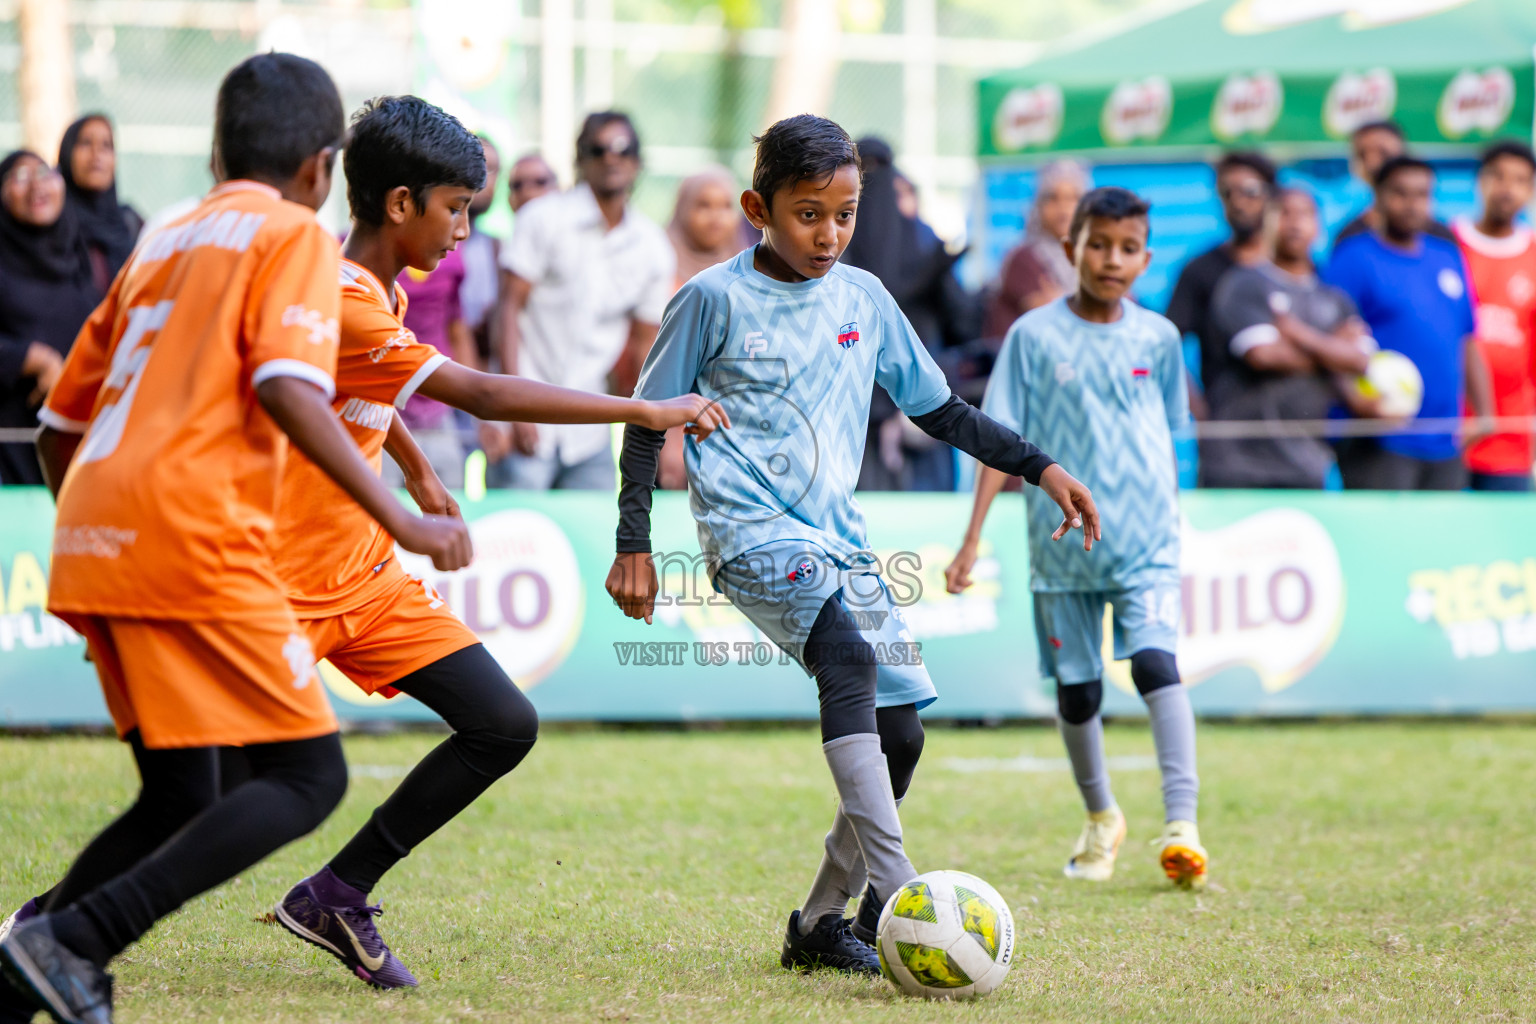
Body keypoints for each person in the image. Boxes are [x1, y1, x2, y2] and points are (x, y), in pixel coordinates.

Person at [0, 55, 471, 1024]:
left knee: (183, 791)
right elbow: (288, 387)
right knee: (308, 775)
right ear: (319, 168)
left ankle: (17, 974)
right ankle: (73, 939)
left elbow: (57, 426)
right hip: (193, 529)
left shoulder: (163, 231)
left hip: (96, 527)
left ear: (218, 148)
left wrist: (94, 543)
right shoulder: (295, 233)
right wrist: (405, 515)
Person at [605, 115, 1099, 973]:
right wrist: (634, 542)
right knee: (849, 664)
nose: (828, 234)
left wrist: (1042, 465)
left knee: (901, 733)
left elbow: (940, 410)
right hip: (749, 535)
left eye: (845, 214)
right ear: (759, 207)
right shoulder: (712, 298)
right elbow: (648, 424)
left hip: (841, 543)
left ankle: (819, 924)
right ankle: (910, 903)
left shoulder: (865, 298)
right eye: (807, 215)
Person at [247, 96, 722, 988]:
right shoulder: (343, 298)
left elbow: (361, 395)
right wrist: (644, 410)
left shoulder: (374, 288)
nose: (467, 229)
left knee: (502, 723)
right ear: (399, 205)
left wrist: (422, 474)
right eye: (457, 207)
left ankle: (337, 893)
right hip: (284, 587)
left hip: (367, 578)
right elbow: (484, 394)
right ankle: (57, 926)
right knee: (212, 792)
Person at [945, 186, 1206, 890]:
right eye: (1098, 245)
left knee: (1157, 666)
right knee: (1078, 694)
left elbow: (1168, 431)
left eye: (1127, 249)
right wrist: (971, 540)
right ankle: (1101, 817)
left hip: (1146, 537)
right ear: (1072, 249)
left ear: (1145, 258)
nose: (1111, 260)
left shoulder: (1158, 338)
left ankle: (1182, 824)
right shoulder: (1033, 336)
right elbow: (999, 443)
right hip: (1060, 543)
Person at [491, 113, 674, 490]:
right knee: (515, 541)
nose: (612, 158)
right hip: (527, 417)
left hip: (590, 435)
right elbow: (507, 311)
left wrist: (654, 433)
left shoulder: (651, 245)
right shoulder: (542, 219)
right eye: (599, 149)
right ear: (580, 160)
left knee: (594, 543)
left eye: (624, 149)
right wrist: (512, 408)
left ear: (638, 162)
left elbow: (645, 348)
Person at [1326, 155, 1494, 490]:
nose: (1411, 204)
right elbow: (1330, 343)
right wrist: (1356, 401)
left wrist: (1485, 414)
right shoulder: (1353, 258)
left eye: (1421, 195)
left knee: (1440, 540)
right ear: (1379, 197)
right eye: (1400, 193)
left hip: (1446, 441)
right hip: (1381, 439)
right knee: (1382, 540)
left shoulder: (1446, 256)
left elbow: (1467, 338)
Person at [1202, 187, 1376, 488]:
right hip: (1240, 464)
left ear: (1318, 226)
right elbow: (1265, 356)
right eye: (1284, 213)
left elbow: (1362, 361)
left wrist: (1299, 334)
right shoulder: (1244, 284)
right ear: (1266, 223)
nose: (1294, 223)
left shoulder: (1335, 299)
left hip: (1306, 464)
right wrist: (1334, 350)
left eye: (1304, 214)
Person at [842, 136, 975, 491]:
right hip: (859, 413)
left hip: (918, 404)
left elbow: (963, 322)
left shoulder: (922, 241)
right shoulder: (837, 243)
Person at [0, 151, 102, 484]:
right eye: (19, 177)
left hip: (80, 452)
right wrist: (30, 359)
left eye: (44, 173)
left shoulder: (81, 255)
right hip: (13, 457)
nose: (35, 186)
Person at [1454, 140, 1536, 492]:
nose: (1508, 189)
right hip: (1449, 434)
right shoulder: (1446, 243)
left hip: (1512, 438)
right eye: (1499, 177)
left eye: (1520, 180)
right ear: (1480, 182)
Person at [656, 165, 744, 488]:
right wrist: (672, 439)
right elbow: (660, 367)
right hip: (671, 425)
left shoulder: (747, 269)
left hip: (733, 430)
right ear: (682, 209)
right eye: (703, 205)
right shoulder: (661, 268)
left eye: (725, 206)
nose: (716, 217)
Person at [1165, 151, 1276, 399]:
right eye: (1227, 193)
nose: (1237, 202)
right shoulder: (1200, 270)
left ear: (1272, 194)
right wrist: (1198, 412)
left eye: (1248, 191)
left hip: (1297, 424)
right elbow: (1167, 346)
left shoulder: (1297, 269)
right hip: (1228, 424)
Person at [984, 160, 1089, 340]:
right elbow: (1055, 318)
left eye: (1073, 199)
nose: (1063, 209)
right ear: (1039, 206)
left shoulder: (1091, 256)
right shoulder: (1024, 258)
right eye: (1053, 198)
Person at [1334, 120, 1455, 246]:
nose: (1372, 163)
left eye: (1383, 152)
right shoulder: (1349, 238)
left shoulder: (1441, 239)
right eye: (1362, 155)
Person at [57, 114, 143, 280]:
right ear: (67, 153)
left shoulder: (130, 223)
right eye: (85, 143)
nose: (96, 154)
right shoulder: (52, 224)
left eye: (106, 146)